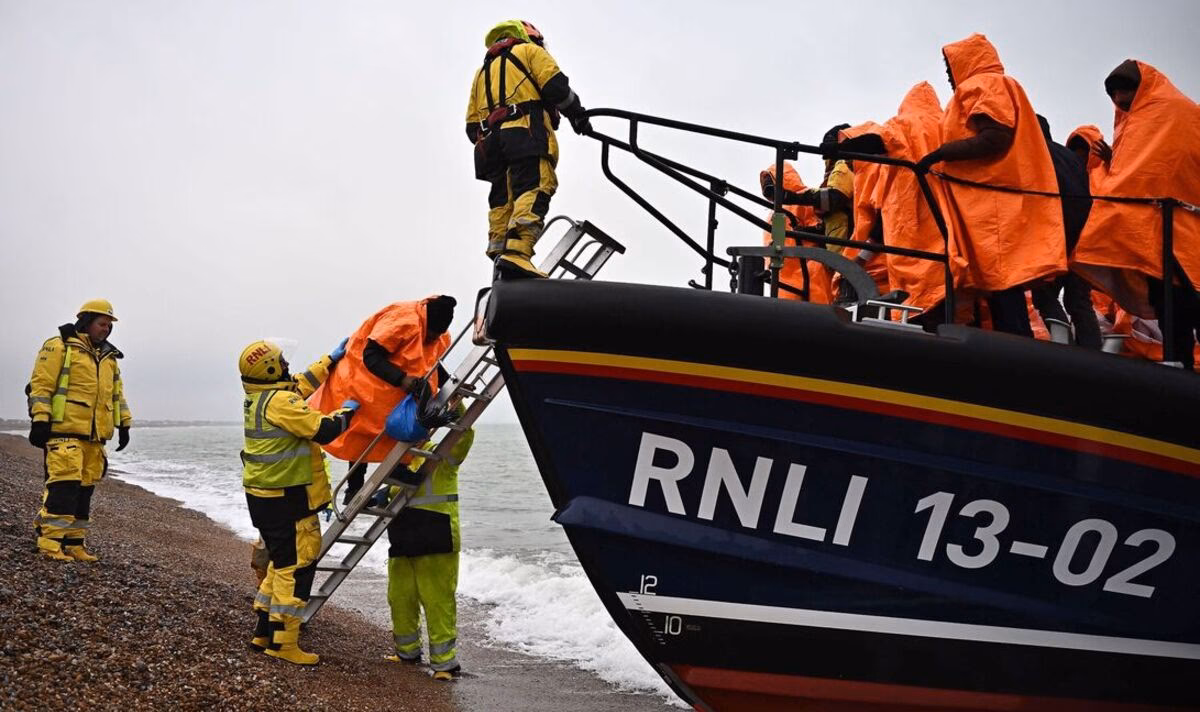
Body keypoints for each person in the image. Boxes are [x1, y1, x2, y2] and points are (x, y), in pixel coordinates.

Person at [917, 33, 1067, 337]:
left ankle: (1016, 351)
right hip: (996, 202)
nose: (948, 75)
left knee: (1002, 283)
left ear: (966, 61)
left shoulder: (983, 85)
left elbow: (995, 137)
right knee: (1002, 284)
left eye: (950, 67)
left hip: (993, 205)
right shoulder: (998, 85)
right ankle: (1015, 349)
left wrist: (940, 154)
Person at [1070, 59, 1200, 367]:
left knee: (1184, 301)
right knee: (1171, 303)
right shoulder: (1144, 120)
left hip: (1177, 227)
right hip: (1157, 232)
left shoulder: (1171, 113)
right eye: (1117, 101)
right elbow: (1143, 169)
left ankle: (1179, 363)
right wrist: (1114, 161)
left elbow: (1160, 167)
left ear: (1139, 92)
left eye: (1125, 100)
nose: (1120, 106)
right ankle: (1178, 364)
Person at [239, 339, 358, 665]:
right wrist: (347, 413)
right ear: (271, 369)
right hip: (288, 499)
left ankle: (263, 632)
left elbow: (300, 386)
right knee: (298, 566)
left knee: (280, 563)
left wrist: (329, 360)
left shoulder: (259, 398)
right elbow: (322, 429)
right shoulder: (280, 402)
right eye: (282, 362)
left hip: (265, 499)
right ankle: (284, 643)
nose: (287, 366)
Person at [466, 20, 591, 279]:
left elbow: (471, 127)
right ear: (530, 37)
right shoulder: (530, 52)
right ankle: (517, 254)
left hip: (490, 148)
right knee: (535, 186)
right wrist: (578, 115)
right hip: (526, 134)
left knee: (503, 200)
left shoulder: (481, 73)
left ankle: (501, 257)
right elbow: (556, 88)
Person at [310, 296, 456, 502]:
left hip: (391, 390)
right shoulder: (401, 321)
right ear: (427, 322)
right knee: (361, 433)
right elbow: (371, 355)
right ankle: (353, 491)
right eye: (431, 334)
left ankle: (398, 468)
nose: (433, 339)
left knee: (407, 426)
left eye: (436, 336)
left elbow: (431, 361)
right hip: (362, 379)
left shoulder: (439, 335)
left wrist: (450, 384)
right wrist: (402, 379)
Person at [26, 299, 132, 562]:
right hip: (64, 432)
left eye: (109, 325)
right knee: (63, 488)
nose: (106, 329)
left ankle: (74, 544)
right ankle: (50, 543)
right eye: (101, 324)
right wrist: (40, 420)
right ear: (85, 321)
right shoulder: (59, 346)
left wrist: (125, 424)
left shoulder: (108, 358)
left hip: (95, 438)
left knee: (84, 491)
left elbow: (116, 394)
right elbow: (40, 385)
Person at [839, 82, 947, 319]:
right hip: (947, 232)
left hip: (906, 234)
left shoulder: (904, 125)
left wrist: (843, 146)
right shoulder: (949, 124)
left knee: (918, 299)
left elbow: (878, 140)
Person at [382, 418, 476, 681]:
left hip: (437, 536)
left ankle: (444, 664)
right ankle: (407, 652)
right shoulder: (398, 460)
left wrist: (457, 408)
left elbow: (464, 436)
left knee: (438, 602)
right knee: (400, 597)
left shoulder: (442, 454)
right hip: (403, 537)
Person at [1028, 115, 1101, 348]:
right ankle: (1092, 352)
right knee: (1078, 299)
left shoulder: (1037, 154)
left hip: (1057, 235)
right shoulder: (1071, 160)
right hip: (1086, 237)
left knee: (1044, 294)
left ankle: (1063, 347)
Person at [757, 161, 825, 301]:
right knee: (785, 315)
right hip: (783, 273)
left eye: (772, 187)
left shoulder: (806, 200)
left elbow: (821, 230)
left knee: (816, 308)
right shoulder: (773, 215)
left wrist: (804, 231)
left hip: (808, 268)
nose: (770, 193)